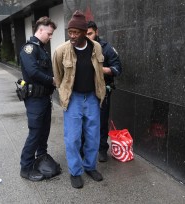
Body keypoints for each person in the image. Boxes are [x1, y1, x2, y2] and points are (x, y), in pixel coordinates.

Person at [53, 10, 106, 189]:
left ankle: (90, 166)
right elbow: (58, 76)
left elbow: (99, 73)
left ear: (85, 32)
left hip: (92, 97)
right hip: (73, 99)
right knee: (73, 138)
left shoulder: (96, 47)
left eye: (76, 32)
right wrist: (64, 94)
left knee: (93, 136)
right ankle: (75, 171)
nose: (72, 36)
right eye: (70, 32)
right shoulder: (61, 51)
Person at [19, 16, 57, 182]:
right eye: (49, 33)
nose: (50, 37)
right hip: (34, 99)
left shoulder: (41, 49)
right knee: (35, 133)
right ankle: (25, 168)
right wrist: (52, 80)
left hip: (44, 98)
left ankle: (41, 156)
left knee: (44, 131)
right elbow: (33, 72)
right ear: (40, 30)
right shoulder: (29, 49)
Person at [85, 21, 122, 162]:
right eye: (85, 34)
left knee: (101, 121)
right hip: (84, 91)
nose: (87, 37)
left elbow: (118, 69)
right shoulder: (80, 47)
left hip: (102, 91)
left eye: (90, 34)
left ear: (96, 32)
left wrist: (100, 70)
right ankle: (86, 148)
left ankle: (101, 149)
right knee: (84, 121)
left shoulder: (106, 48)